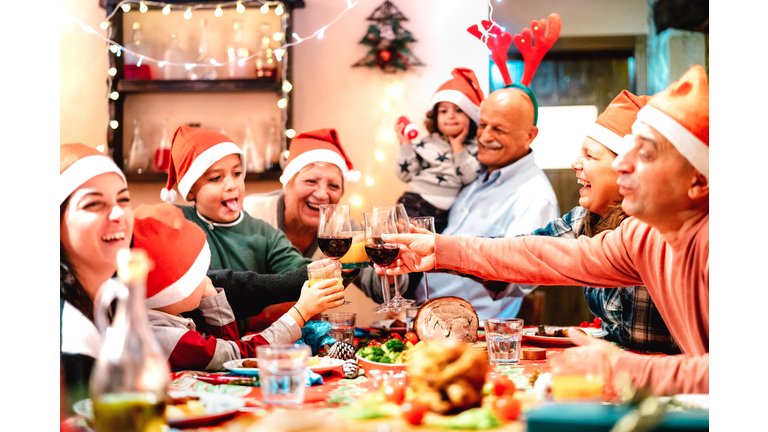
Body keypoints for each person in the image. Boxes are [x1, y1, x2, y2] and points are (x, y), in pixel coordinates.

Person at [380, 65, 710, 395]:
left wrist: (624, 368)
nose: (625, 165)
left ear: (698, 182)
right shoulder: (643, 238)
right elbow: (541, 254)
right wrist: (440, 249)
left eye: (645, 155)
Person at [363, 86, 560, 320]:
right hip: (417, 320)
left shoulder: (535, 197)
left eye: (498, 129)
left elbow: (518, 276)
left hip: (471, 333)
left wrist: (445, 255)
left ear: (529, 135)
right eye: (483, 125)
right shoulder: (472, 178)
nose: (485, 136)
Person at [524, 90, 678, 354]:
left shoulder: (659, 232)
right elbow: (528, 251)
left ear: (629, 167)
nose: (575, 163)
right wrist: (442, 250)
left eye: (590, 156)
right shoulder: (584, 219)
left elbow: (657, 342)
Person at [132, 203, 345, 372]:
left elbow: (226, 347)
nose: (207, 278)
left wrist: (211, 299)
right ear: (174, 290)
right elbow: (239, 357)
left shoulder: (163, 318)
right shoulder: (166, 337)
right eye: (198, 274)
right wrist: (300, 313)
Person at [161, 126, 311, 333]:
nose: (232, 185)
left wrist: (343, 265)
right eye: (216, 178)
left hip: (236, 352)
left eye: (237, 173)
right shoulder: (174, 221)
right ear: (191, 189)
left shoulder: (264, 233)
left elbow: (304, 274)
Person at [242, 128, 407, 317]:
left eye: (334, 185)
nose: (321, 194)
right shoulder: (251, 212)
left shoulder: (343, 234)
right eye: (311, 181)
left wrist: (391, 262)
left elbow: (381, 293)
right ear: (288, 184)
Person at [60, 143, 133, 408]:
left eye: (123, 199)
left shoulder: (109, 300)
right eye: (94, 204)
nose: (118, 214)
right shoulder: (69, 332)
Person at [393, 67, 483, 233]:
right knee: (402, 245)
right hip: (413, 203)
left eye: (459, 110)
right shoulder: (426, 143)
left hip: (443, 216)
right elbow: (404, 174)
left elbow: (469, 176)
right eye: (443, 111)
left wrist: (458, 148)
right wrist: (405, 144)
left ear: (470, 116)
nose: (450, 116)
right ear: (436, 116)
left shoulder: (473, 147)